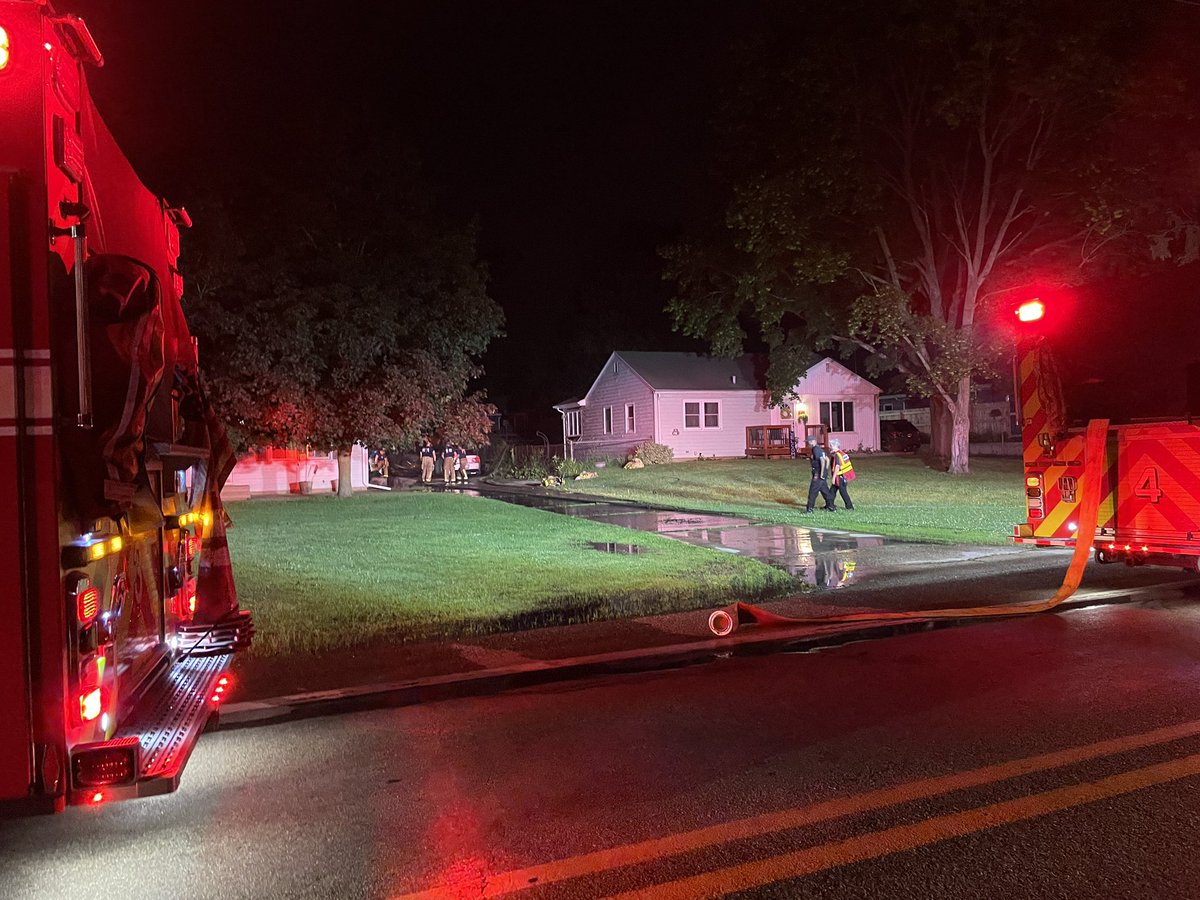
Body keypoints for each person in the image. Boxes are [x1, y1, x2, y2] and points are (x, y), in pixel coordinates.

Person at [804, 437, 835, 513]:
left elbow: (822, 460)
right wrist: (825, 471)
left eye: (808, 442)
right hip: (821, 473)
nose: (808, 444)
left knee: (813, 491)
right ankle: (831, 507)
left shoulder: (815, 449)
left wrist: (821, 473)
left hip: (818, 473)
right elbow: (827, 459)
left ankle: (809, 509)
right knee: (825, 491)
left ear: (812, 441)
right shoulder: (820, 449)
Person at [829, 438, 855, 510]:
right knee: (832, 491)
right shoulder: (842, 454)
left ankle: (849, 507)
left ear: (834, 446)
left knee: (843, 492)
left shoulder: (838, 455)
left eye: (831, 445)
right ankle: (829, 505)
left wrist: (833, 478)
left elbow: (837, 466)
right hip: (843, 476)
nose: (830, 447)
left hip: (840, 477)